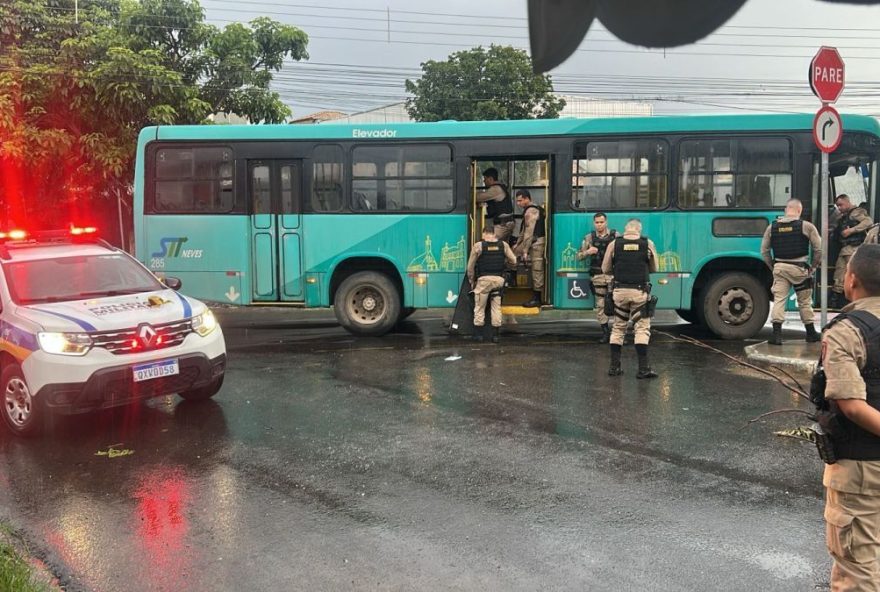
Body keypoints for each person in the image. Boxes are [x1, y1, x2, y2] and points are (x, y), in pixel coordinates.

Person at [817, 243, 880, 591]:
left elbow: (851, 405)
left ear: (851, 280)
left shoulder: (847, 330)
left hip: (862, 471)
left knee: (858, 575)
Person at [601, 218, 659, 379]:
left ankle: (614, 367)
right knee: (641, 328)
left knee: (618, 328)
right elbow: (655, 268)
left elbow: (605, 268)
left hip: (619, 292)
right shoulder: (647, 243)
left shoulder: (614, 244)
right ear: (638, 230)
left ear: (626, 230)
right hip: (639, 292)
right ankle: (643, 369)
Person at [760, 198, 822, 345]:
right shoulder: (806, 226)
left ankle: (776, 336)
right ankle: (811, 333)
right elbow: (818, 250)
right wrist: (812, 267)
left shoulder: (772, 227)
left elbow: (764, 251)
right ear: (799, 211)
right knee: (804, 301)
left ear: (786, 210)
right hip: (799, 270)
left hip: (780, 268)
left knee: (779, 300)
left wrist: (773, 266)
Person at [466, 226, 517, 343]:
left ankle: (479, 335)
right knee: (496, 307)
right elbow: (514, 260)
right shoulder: (503, 245)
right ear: (494, 234)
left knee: (479, 307)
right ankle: (495, 336)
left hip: (483, 281)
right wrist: (507, 265)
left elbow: (470, 266)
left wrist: (471, 279)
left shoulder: (478, 246)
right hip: (498, 280)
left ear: (484, 234)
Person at [577, 212, 618, 343]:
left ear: (606, 222)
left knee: (618, 304)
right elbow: (578, 256)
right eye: (597, 222)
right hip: (598, 276)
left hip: (614, 276)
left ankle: (618, 334)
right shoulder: (589, 238)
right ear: (594, 223)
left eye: (601, 222)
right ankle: (605, 333)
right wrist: (588, 252)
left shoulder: (616, 236)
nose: (599, 225)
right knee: (601, 305)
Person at [832, 194, 872, 309]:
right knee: (839, 274)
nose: (839, 208)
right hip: (845, 249)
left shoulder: (856, 212)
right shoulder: (844, 217)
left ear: (847, 202)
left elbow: (868, 221)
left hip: (853, 248)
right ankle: (836, 299)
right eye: (837, 206)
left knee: (852, 275)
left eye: (841, 205)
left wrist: (851, 231)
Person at [512, 189, 546, 308]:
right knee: (512, 255)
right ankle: (512, 280)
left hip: (536, 243)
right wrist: (517, 244)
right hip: (533, 242)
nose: (518, 203)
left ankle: (537, 298)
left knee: (537, 269)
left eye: (520, 200)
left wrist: (525, 250)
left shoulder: (530, 211)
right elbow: (523, 231)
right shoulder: (532, 209)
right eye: (517, 201)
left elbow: (529, 233)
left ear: (527, 199)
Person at [476, 168, 515, 241]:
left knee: (487, 242)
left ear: (490, 179)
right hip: (506, 223)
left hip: (503, 225)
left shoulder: (496, 189)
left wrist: (471, 192)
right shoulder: (500, 187)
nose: (484, 181)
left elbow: (477, 197)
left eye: (485, 178)